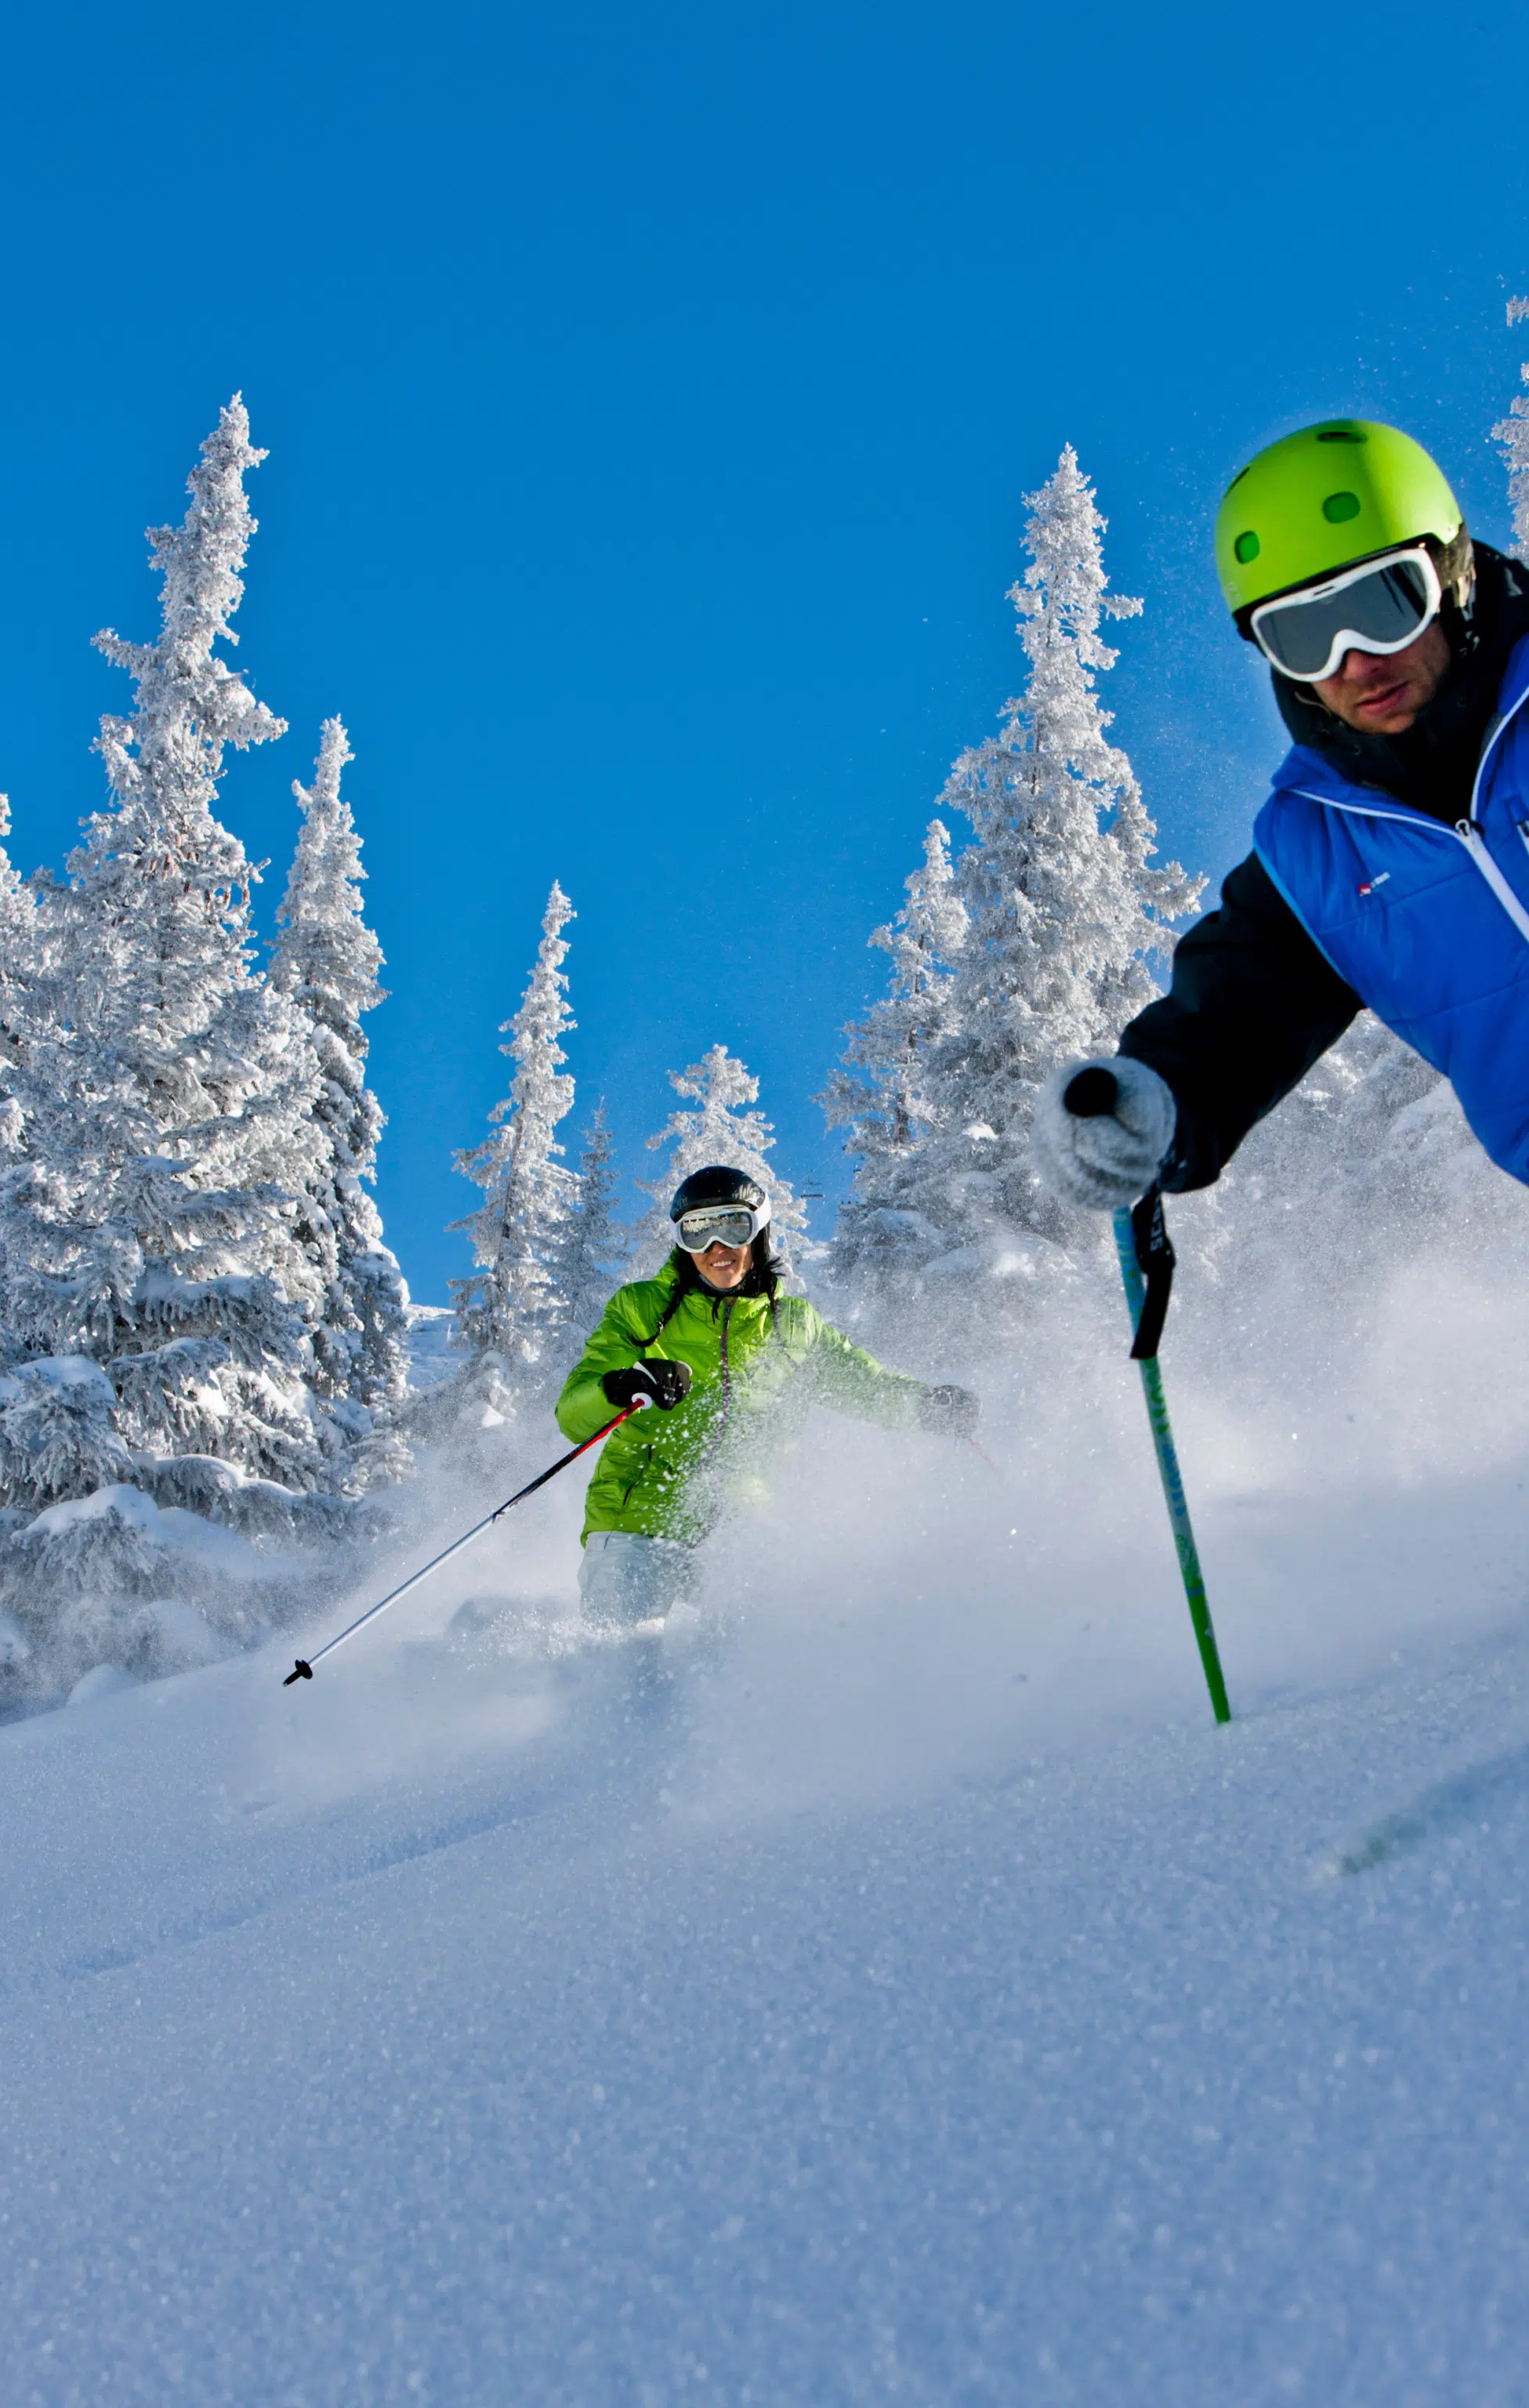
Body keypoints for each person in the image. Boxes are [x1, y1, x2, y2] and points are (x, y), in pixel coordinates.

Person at [1030, 418, 1529, 1213]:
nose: (1355, 661)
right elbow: (1229, 1022)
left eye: (1381, 603)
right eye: (1302, 635)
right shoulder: (1317, 860)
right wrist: (1143, 1113)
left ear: (1451, 573)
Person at [555, 1165, 980, 1626]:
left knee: (753, 1662)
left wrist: (925, 1406)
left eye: (732, 1226)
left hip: (739, 1534)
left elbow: (866, 1386)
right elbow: (573, 1416)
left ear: (759, 1232)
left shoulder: (793, 1326)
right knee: (619, 1663)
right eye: (698, 1231)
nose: (716, 1248)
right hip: (635, 1523)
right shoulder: (642, 1309)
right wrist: (622, 1384)